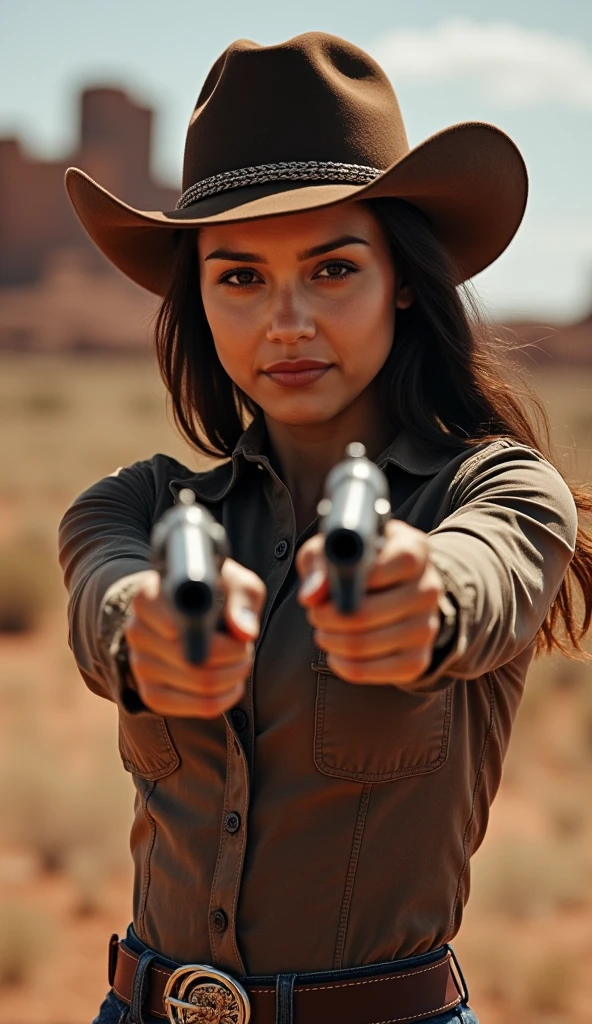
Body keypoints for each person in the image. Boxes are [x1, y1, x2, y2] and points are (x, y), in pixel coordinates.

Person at [58, 31, 592, 1024]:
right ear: (199, 303)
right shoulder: (130, 504)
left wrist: (420, 595)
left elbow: (482, 578)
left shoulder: (502, 491)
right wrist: (151, 628)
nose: (286, 321)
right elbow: (106, 595)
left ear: (401, 277)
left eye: (332, 269)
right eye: (240, 278)